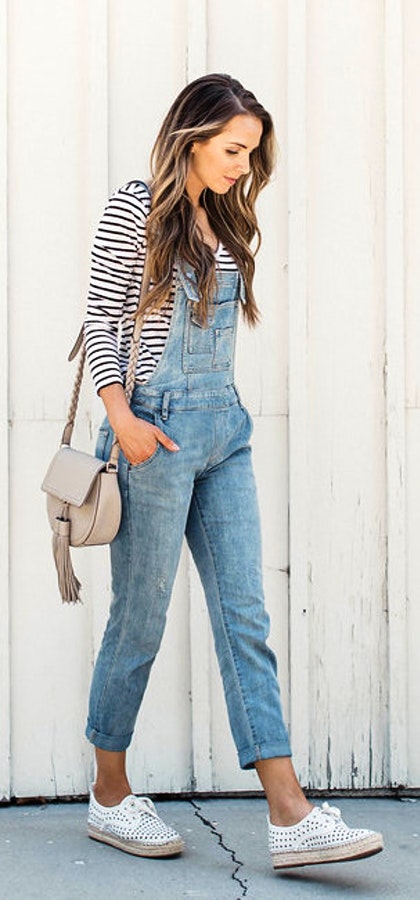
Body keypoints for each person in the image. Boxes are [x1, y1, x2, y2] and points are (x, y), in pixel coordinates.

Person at [83, 73, 383, 870]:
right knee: (138, 621)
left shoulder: (224, 215)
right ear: (191, 136)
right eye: (232, 150)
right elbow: (102, 314)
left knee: (244, 617)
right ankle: (109, 795)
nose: (242, 167)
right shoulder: (135, 206)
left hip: (227, 433)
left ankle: (289, 814)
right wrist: (123, 421)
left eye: (250, 154)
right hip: (156, 433)